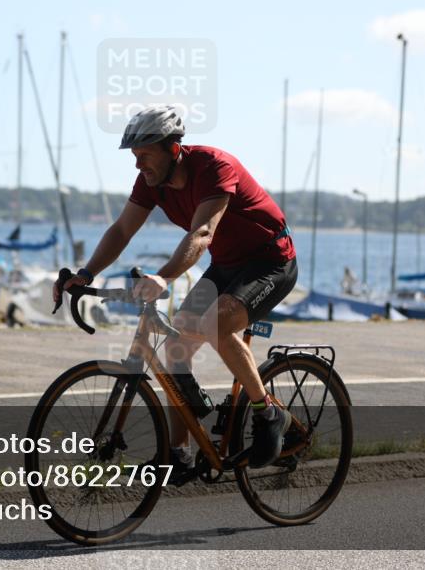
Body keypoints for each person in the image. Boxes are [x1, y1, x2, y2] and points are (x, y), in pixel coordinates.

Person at [53, 105, 298, 477]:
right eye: (134, 156)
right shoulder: (151, 182)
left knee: (215, 324)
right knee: (176, 343)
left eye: (145, 155)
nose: (138, 165)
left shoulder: (214, 167)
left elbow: (202, 233)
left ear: (172, 148)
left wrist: (164, 278)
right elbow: (121, 230)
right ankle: (178, 454)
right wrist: (86, 274)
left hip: (270, 261)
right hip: (227, 265)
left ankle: (269, 413)